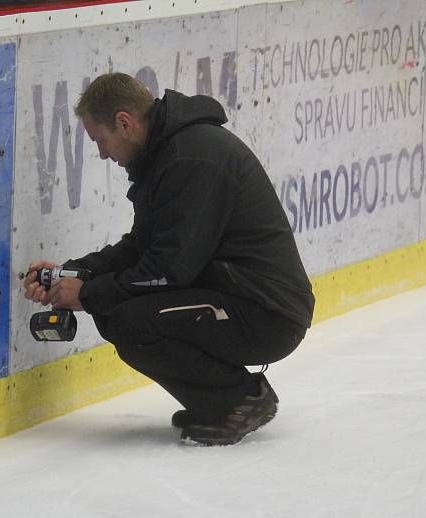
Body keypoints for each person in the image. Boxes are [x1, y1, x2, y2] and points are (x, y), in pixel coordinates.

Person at [23, 72, 314, 446]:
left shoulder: (193, 158)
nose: (102, 153)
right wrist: (75, 272)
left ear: (124, 123)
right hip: (239, 298)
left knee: (128, 319)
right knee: (117, 310)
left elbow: (169, 270)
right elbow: (142, 248)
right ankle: (222, 400)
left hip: (267, 314)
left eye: (100, 140)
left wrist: (88, 293)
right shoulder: (166, 154)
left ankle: (240, 399)